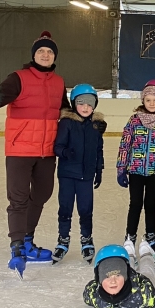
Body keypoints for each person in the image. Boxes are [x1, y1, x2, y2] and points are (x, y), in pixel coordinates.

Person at [0, 30, 69, 277]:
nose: (45, 54)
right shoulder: (18, 78)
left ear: (54, 57)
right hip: (20, 149)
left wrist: (86, 124)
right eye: (41, 51)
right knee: (18, 199)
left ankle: (28, 240)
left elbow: (65, 112)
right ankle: (17, 245)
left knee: (41, 194)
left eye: (49, 51)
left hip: (47, 150)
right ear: (34, 55)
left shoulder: (59, 82)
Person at [117, 80, 155, 264]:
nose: (151, 103)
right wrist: (121, 168)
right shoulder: (135, 119)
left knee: (150, 204)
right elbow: (125, 143)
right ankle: (130, 236)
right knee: (135, 204)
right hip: (135, 170)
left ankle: (150, 235)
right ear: (143, 100)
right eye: (148, 100)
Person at [52, 83, 106, 264]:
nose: (85, 107)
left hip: (86, 175)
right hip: (67, 174)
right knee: (65, 208)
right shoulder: (66, 123)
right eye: (81, 103)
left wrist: (99, 170)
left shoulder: (96, 126)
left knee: (85, 210)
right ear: (74, 104)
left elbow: (99, 149)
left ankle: (86, 239)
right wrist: (66, 153)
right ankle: (63, 239)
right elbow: (57, 146)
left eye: (90, 104)